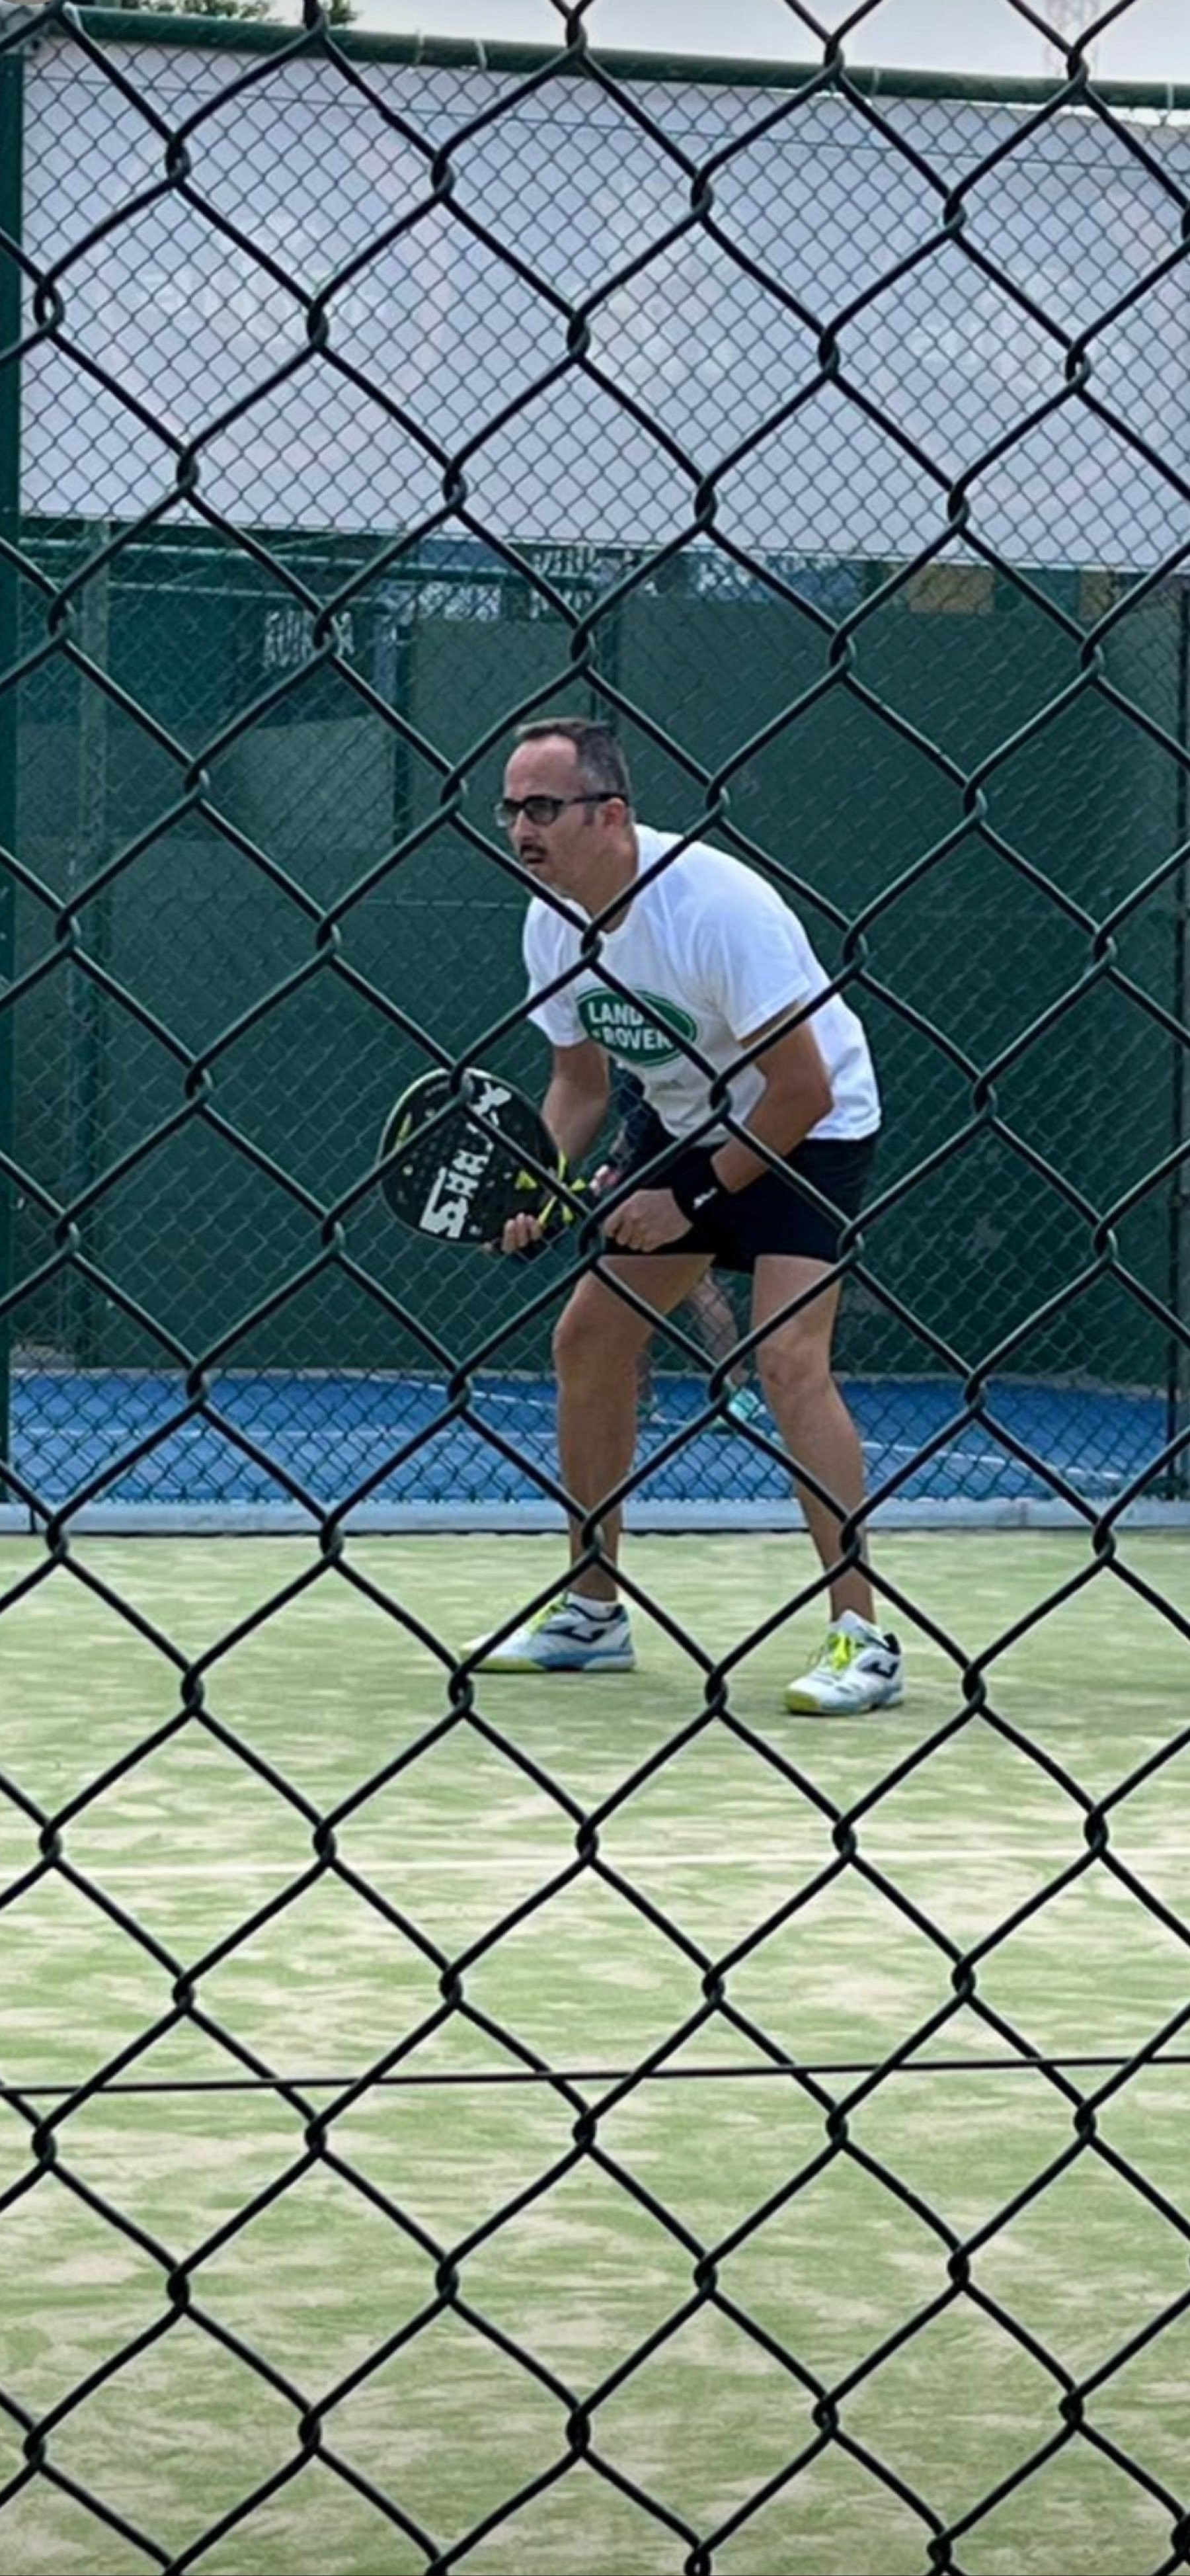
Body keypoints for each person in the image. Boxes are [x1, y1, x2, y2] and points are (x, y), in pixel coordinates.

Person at [469, 717, 901, 1716]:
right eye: (512, 808)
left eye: (544, 807)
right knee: (588, 1341)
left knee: (789, 1361)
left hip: (811, 1126)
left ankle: (865, 1638)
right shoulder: (552, 920)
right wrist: (538, 1184)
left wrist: (691, 1198)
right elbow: (579, 1085)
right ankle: (592, 1612)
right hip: (681, 1119)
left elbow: (801, 1090)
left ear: (610, 813)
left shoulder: (715, 907)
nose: (522, 828)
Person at [598, 1070, 766, 1429]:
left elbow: (645, 1122)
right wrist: (613, 1165)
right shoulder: (634, 1071)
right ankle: (638, 1395)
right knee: (628, 1287)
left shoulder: (675, 1068)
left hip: (687, 1171)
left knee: (697, 1286)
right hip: (650, 1171)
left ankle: (736, 1391)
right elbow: (633, 1124)